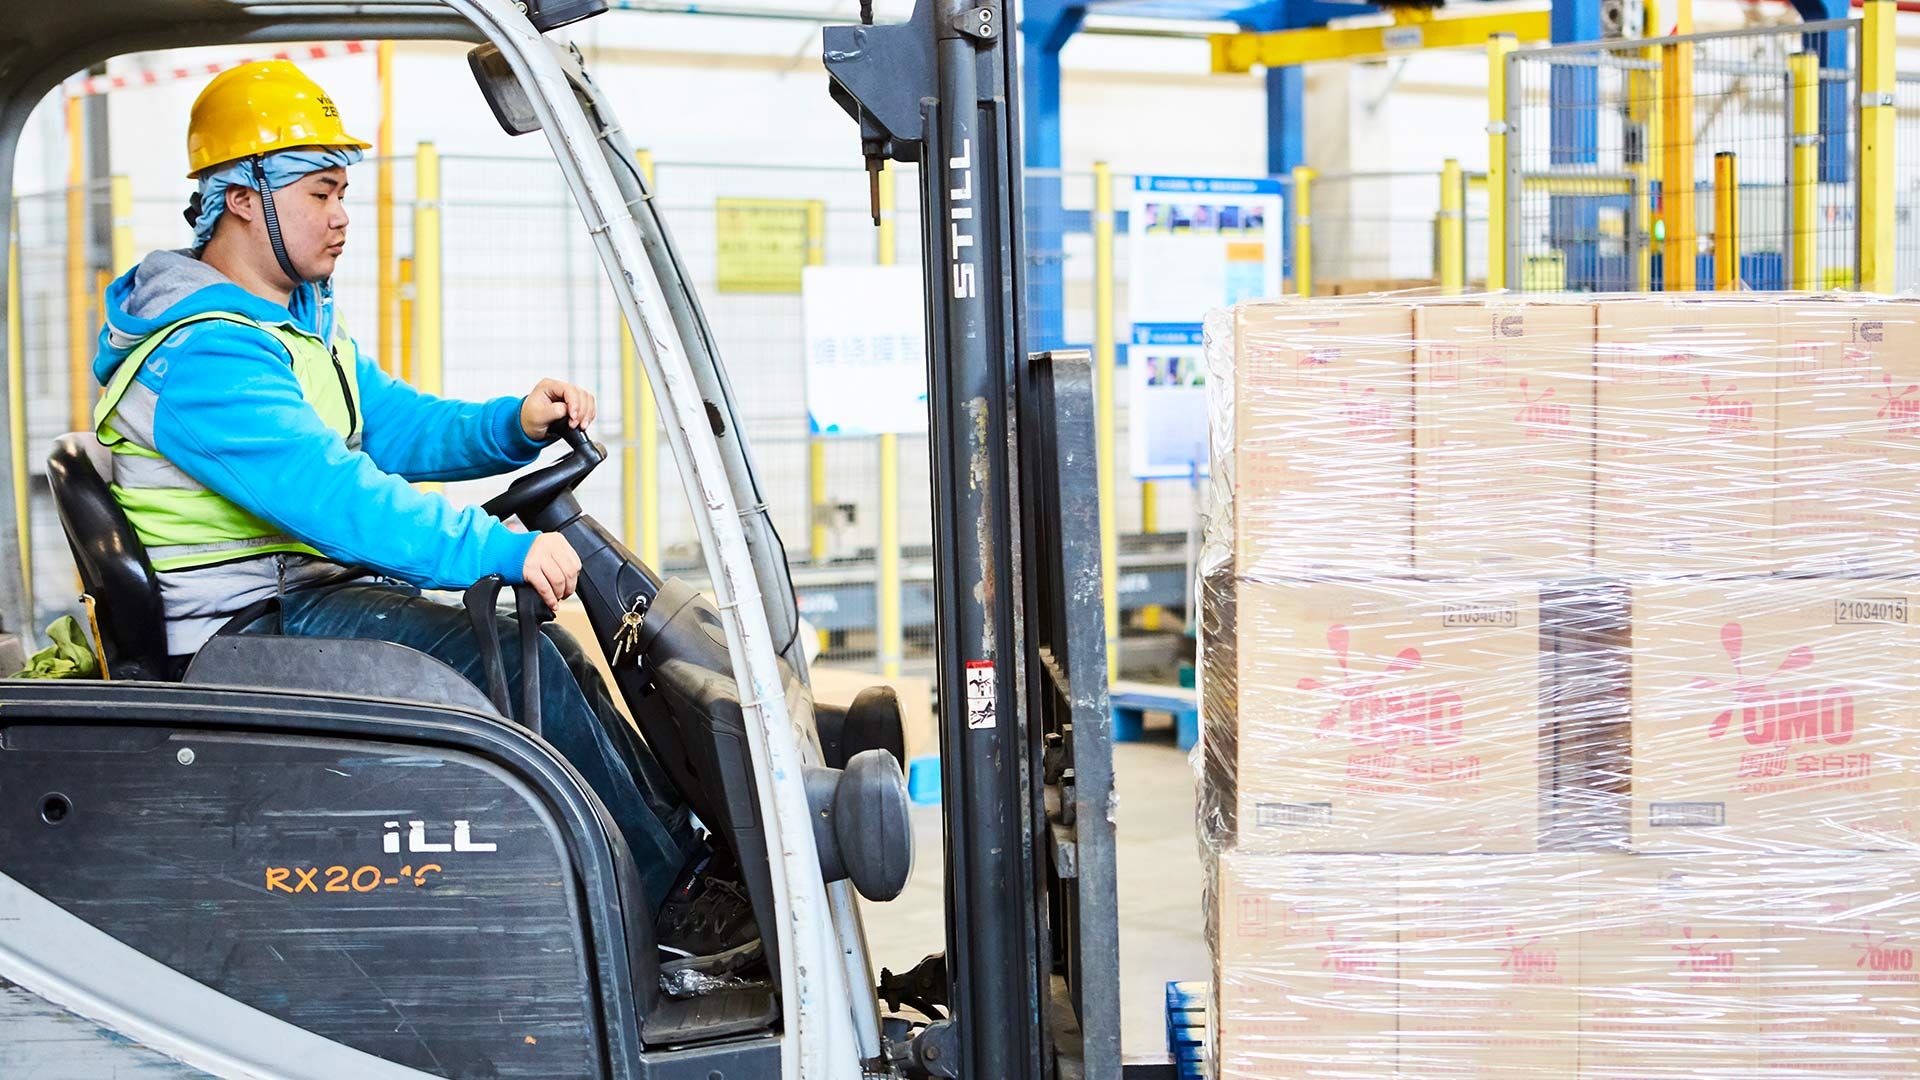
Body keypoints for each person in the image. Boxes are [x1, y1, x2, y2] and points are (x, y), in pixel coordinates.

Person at [90, 59, 750, 966]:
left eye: (343, 193)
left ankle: (672, 870)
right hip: (246, 624)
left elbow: (391, 424)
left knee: (549, 654)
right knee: (522, 660)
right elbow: (337, 497)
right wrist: (492, 549)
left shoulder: (289, 322)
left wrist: (512, 425)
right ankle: (669, 906)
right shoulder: (206, 356)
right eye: (321, 193)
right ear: (242, 199)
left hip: (301, 598)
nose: (341, 216)